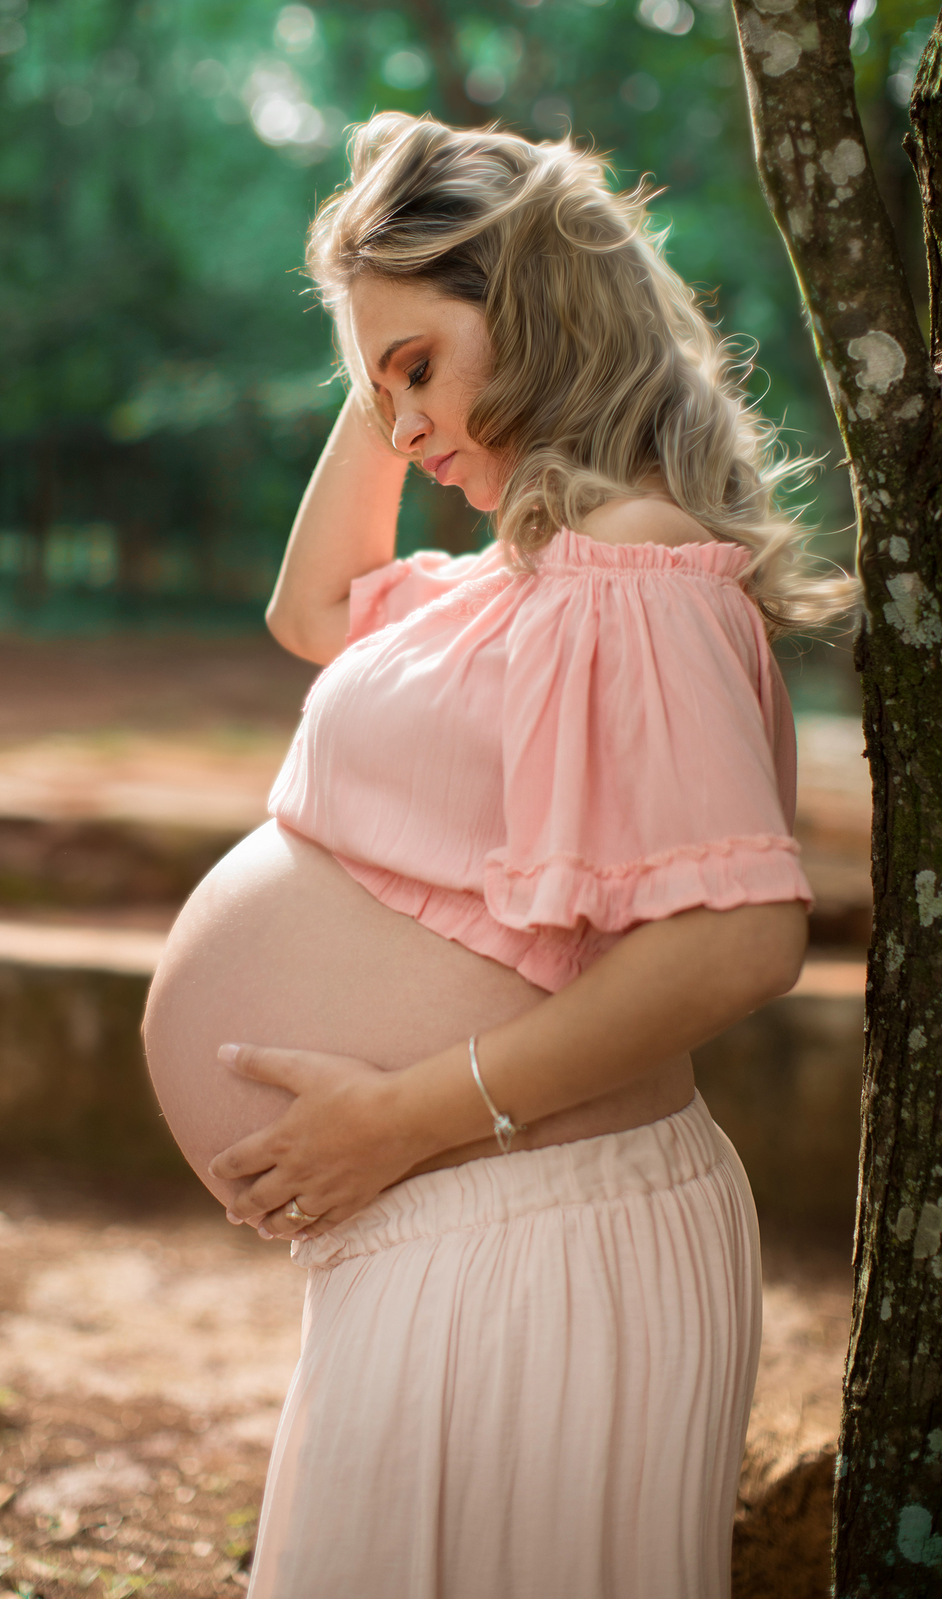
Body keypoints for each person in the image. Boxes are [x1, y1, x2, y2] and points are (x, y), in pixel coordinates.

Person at [145, 113, 852, 1599]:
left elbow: (739, 941)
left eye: (423, 369)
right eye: (371, 383)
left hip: (529, 1227)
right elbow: (314, 610)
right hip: (475, 1225)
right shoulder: (526, 575)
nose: (401, 426)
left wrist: (402, 1118)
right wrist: (394, 367)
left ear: (539, 316)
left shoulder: (638, 571)